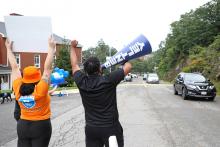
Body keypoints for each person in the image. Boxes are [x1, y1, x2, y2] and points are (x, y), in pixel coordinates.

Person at [70, 40, 132, 147]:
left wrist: (72, 47)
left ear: (85, 70)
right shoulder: (109, 80)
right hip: (111, 129)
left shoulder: (81, 81)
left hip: (91, 129)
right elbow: (128, 66)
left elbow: (74, 64)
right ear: (99, 68)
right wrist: (122, 58)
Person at [5, 36, 56, 147]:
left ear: (24, 78)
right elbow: (47, 69)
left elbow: (14, 67)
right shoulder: (40, 90)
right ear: (37, 78)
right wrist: (51, 49)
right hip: (41, 126)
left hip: (23, 125)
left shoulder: (18, 89)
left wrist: (8, 49)